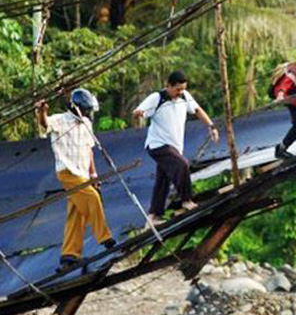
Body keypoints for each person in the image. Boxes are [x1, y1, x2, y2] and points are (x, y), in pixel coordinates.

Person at [37, 88, 115, 269]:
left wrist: (93, 175)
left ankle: (69, 255)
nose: (88, 113)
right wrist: (42, 110)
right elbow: (44, 124)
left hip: (83, 173)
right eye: (86, 109)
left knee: (77, 213)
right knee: (92, 198)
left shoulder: (87, 123)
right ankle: (104, 237)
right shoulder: (60, 120)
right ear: (76, 107)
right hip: (67, 171)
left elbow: (89, 151)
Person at [133, 70, 219, 226]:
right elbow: (139, 111)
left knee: (162, 180)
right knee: (182, 164)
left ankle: (153, 217)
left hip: (175, 146)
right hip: (158, 144)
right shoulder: (157, 98)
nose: (180, 92)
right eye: (177, 89)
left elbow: (198, 110)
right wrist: (139, 114)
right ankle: (186, 200)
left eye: (183, 89)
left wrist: (211, 126)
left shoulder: (185, 97)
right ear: (168, 86)